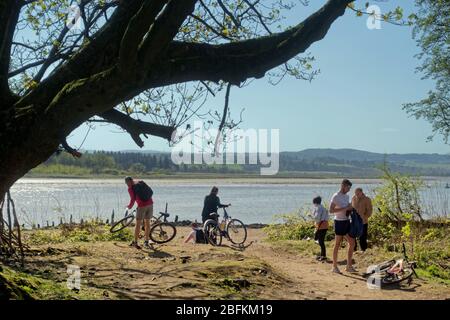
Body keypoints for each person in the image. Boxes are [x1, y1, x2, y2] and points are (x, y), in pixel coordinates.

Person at [330, 179, 356, 274]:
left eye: (350, 188)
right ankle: (334, 267)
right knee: (337, 244)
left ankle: (349, 266)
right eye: (348, 187)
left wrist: (350, 208)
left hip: (347, 221)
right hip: (339, 222)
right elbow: (331, 210)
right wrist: (345, 208)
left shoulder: (347, 196)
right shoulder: (336, 196)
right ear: (342, 186)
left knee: (352, 243)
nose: (349, 190)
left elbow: (347, 208)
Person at [125, 176, 153, 249]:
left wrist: (129, 207)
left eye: (127, 183)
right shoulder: (141, 182)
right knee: (147, 223)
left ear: (128, 182)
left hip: (142, 206)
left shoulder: (131, 188)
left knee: (138, 224)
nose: (127, 185)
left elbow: (132, 199)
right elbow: (149, 191)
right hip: (150, 204)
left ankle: (135, 242)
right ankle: (146, 241)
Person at [352, 188, 373, 252]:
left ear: (361, 192)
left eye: (358, 193)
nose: (356, 195)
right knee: (353, 236)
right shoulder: (353, 198)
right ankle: (354, 250)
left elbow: (370, 211)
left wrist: (364, 217)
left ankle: (363, 250)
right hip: (354, 221)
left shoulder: (367, 199)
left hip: (363, 222)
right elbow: (352, 207)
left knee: (362, 237)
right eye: (355, 193)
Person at [312, 196, 329, 261]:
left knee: (320, 241)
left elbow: (317, 218)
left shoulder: (318, 208)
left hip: (321, 226)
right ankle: (322, 255)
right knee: (320, 240)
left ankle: (323, 256)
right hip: (325, 225)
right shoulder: (323, 207)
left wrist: (311, 216)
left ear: (315, 202)